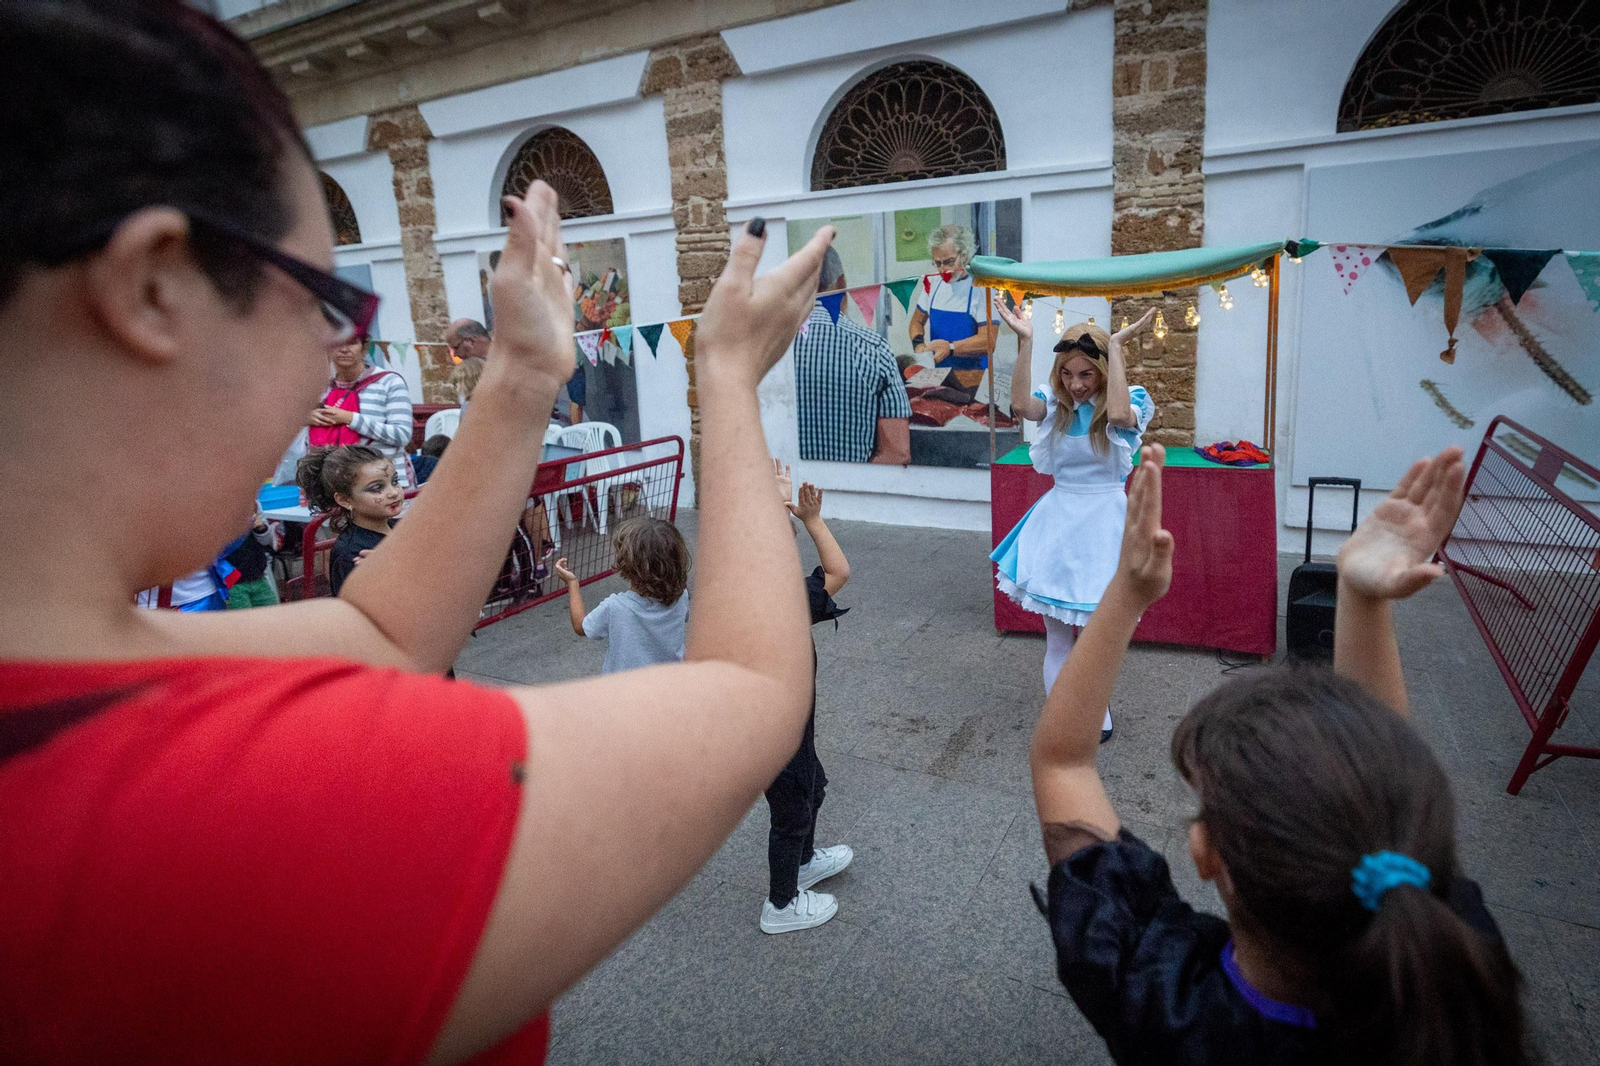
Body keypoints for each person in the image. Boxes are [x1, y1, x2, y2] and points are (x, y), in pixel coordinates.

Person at [0, 4, 835, 1061]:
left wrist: (522, 379)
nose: (331, 360)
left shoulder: (64, 676)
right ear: (155, 288)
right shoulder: (230, 803)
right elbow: (758, 696)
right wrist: (727, 381)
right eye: (325, 299)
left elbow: (383, 632)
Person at [1029, 443, 1528, 1066]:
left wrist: (1126, 594)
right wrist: (1364, 599)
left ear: (1206, 853)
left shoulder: (1164, 1005)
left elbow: (1063, 763)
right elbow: (1378, 790)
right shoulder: (1460, 977)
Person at [989, 305, 1155, 743]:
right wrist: (1024, 342)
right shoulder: (1054, 402)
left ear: (1102, 371)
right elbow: (1022, 405)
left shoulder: (1132, 400)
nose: (1076, 384)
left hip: (1106, 526)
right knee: (1059, 640)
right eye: (1068, 374)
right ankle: (1065, 717)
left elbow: (1118, 417)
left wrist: (1116, 349)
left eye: (1086, 374)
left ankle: (1094, 712)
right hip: (1060, 523)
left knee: (1100, 640)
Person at [760, 461, 855, 933]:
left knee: (811, 788)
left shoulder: (747, 593)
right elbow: (839, 570)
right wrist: (811, 520)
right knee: (793, 809)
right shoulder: (786, 601)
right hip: (775, 735)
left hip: (789, 729)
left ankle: (803, 863)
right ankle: (780, 906)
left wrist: (779, 508)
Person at [795, 246, 912, 464]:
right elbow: (897, 454)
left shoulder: (767, 348)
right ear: (841, 284)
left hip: (783, 494)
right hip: (853, 494)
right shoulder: (875, 348)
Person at [552, 517, 690, 674]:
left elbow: (580, 626)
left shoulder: (616, 606)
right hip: (668, 683)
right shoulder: (681, 597)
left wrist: (572, 583)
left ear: (628, 566)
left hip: (623, 689)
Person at [906, 223, 997, 403]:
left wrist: (951, 348)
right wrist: (919, 346)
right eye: (937, 263)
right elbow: (916, 322)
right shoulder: (932, 284)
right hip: (939, 379)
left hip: (974, 381)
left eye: (948, 262)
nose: (942, 270)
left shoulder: (982, 287)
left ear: (964, 255)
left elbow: (989, 341)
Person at [297, 444, 405, 596]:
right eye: (376, 488)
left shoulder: (404, 529)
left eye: (395, 481)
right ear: (344, 500)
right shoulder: (351, 554)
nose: (394, 493)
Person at [312, 333, 417, 488]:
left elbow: (402, 435)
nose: (344, 349)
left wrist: (350, 419)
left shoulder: (389, 382)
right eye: (337, 343)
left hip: (388, 484)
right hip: (337, 485)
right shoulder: (320, 389)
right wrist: (304, 420)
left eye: (352, 343)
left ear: (364, 347)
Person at [224, 508, 280, 609]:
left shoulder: (252, 503)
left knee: (272, 618)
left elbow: (267, 541)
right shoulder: (212, 507)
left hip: (258, 577)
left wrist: (261, 528)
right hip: (233, 582)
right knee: (243, 623)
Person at [424, 355, 485, 441]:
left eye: (457, 383)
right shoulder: (470, 404)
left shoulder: (473, 406)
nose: (456, 389)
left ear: (466, 382)